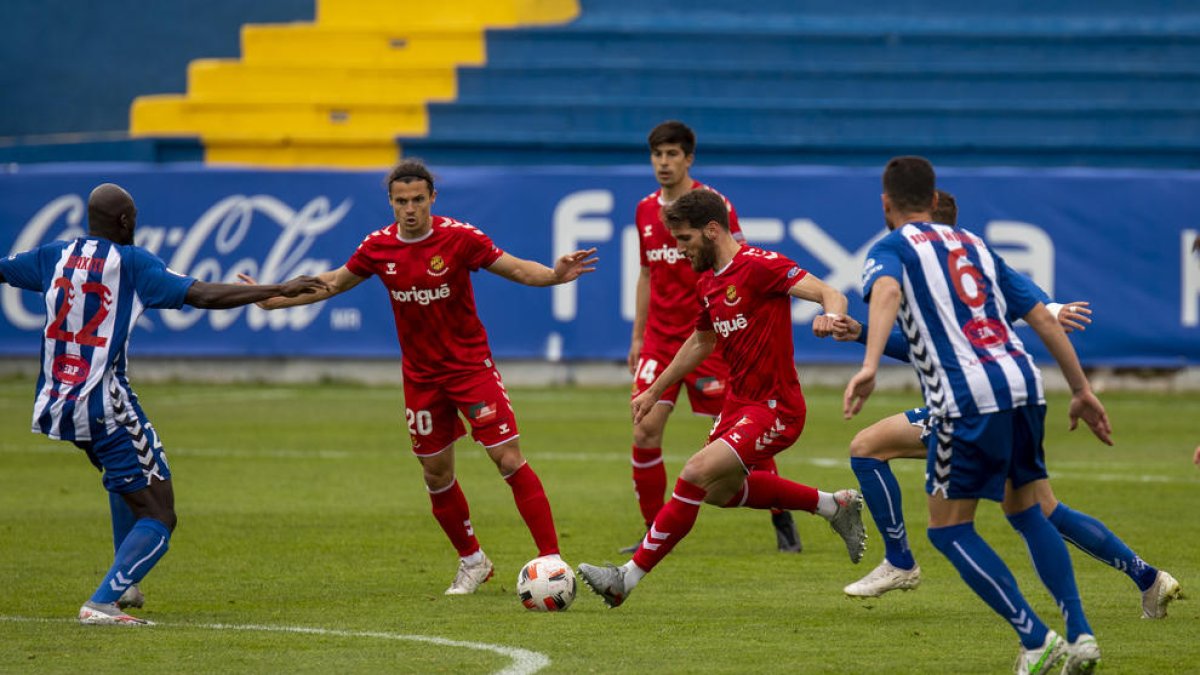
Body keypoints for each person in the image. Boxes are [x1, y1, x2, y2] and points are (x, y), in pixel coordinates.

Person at [244, 160, 597, 595]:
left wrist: (554, 275)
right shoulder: (378, 247)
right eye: (401, 201)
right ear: (391, 203)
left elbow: (518, 269)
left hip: (471, 369)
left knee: (507, 459)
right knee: (435, 473)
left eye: (417, 200)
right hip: (421, 378)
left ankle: (550, 560)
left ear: (433, 198)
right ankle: (472, 561)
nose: (410, 209)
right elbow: (333, 282)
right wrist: (272, 299)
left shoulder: (459, 238)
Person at [833, 190, 1181, 621]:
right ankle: (1146, 579)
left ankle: (908, 566)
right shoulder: (973, 258)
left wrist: (866, 346)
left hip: (968, 404)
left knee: (888, 465)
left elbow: (937, 338)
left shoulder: (924, 263)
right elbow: (1023, 301)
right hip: (1015, 395)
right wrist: (862, 333)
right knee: (1043, 510)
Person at [0, 183, 328, 625]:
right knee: (160, 514)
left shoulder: (52, 256)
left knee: (122, 480)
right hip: (106, 403)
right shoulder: (133, 264)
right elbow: (202, 295)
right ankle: (102, 603)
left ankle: (126, 580)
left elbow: (3, 270)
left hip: (57, 401)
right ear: (125, 222)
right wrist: (279, 288)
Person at [845, 157, 1115, 674]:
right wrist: (1080, 388)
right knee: (1026, 511)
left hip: (965, 399)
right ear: (932, 200)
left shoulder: (891, 248)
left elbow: (886, 292)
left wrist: (871, 362)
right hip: (1023, 384)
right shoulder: (974, 245)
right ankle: (1080, 635)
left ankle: (1037, 640)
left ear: (886, 203)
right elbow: (1039, 314)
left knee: (948, 531)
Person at [577, 189, 868, 608]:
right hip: (738, 406)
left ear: (712, 230)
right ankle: (832, 505)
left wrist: (832, 315)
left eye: (685, 240)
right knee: (720, 492)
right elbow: (700, 342)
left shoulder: (760, 266)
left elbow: (830, 292)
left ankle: (625, 578)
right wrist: (654, 390)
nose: (679, 251)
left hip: (776, 409)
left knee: (695, 472)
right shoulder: (709, 282)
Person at [626, 120, 800, 554]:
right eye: (657, 155)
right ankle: (654, 531)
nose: (663, 163)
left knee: (743, 433)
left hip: (711, 337)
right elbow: (646, 273)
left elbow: (737, 264)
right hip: (662, 340)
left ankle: (782, 513)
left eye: (672, 155)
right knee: (644, 430)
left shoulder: (714, 206)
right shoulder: (645, 210)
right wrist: (637, 336)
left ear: (688, 159)